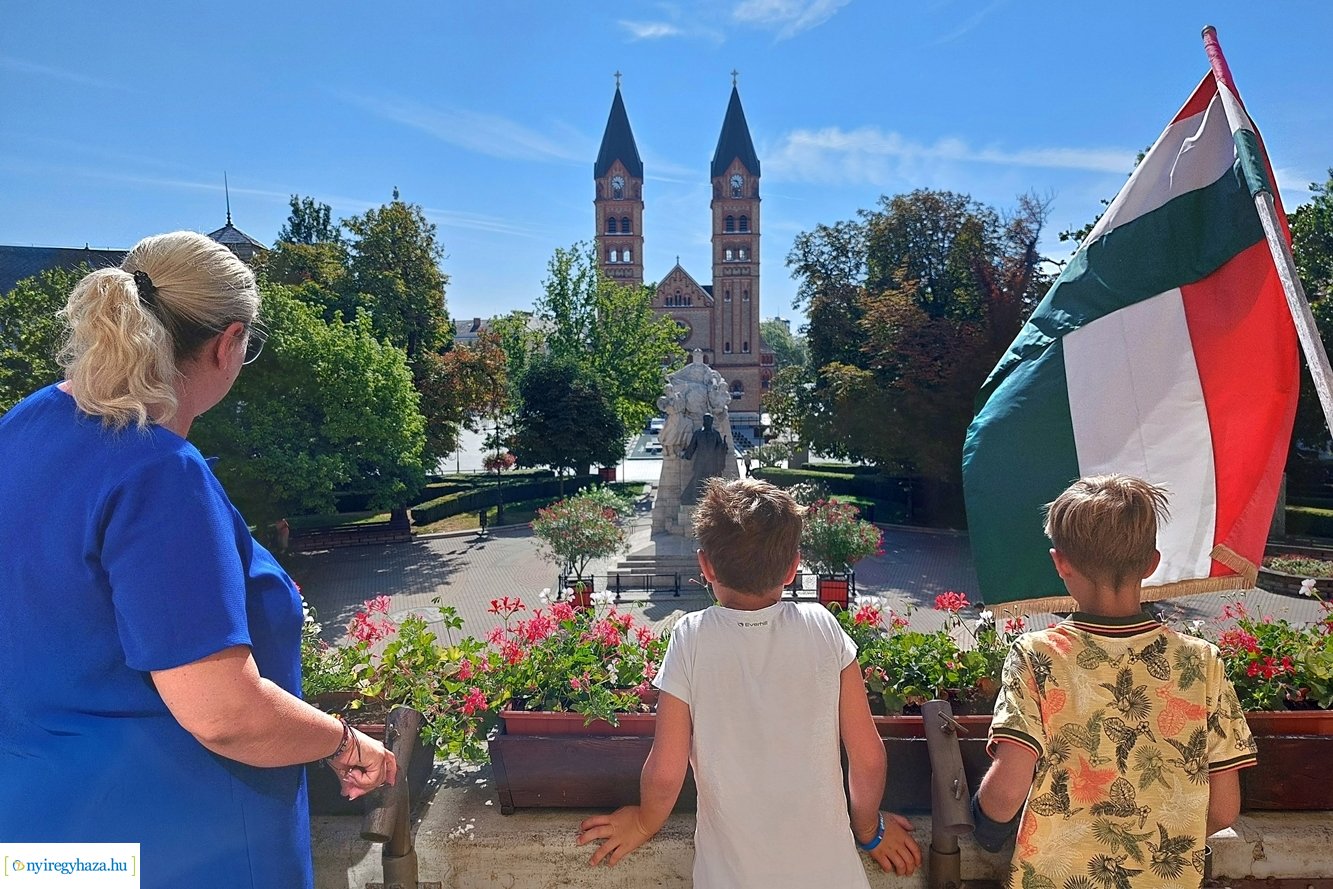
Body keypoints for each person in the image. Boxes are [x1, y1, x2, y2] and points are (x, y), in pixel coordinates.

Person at [0, 232, 397, 889]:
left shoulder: (22, 425)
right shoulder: (157, 472)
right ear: (228, 341)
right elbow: (225, 714)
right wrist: (344, 741)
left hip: (39, 844)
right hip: (176, 846)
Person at [577, 478, 921, 886]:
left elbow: (667, 772)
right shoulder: (823, 628)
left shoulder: (691, 637)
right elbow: (868, 758)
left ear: (705, 566)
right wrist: (869, 831)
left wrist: (643, 823)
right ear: (794, 567)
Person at [970, 475, 1256, 888]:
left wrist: (982, 824)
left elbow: (1006, 793)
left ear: (1060, 561)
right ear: (1151, 563)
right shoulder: (1202, 662)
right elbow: (1225, 809)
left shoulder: (1037, 656)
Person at [680, 413, 729, 504]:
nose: (707, 422)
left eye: (709, 420)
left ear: (711, 421)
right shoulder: (698, 433)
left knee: (712, 482)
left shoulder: (716, 434)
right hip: (700, 462)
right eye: (706, 420)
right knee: (697, 480)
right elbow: (692, 447)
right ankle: (693, 498)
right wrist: (686, 455)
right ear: (703, 421)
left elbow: (720, 448)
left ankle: (714, 500)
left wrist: (724, 446)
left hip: (712, 463)